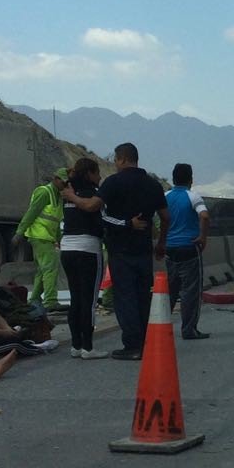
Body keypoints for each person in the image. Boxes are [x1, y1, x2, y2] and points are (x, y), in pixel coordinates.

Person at [98, 142, 170, 360]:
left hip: (120, 250)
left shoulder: (112, 183)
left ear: (121, 159)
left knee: (125, 297)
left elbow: (98, 211)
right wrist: (161, 242)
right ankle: (147, 340)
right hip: (143, 250)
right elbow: (166, 217)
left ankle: (132, 345)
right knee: (142, 296)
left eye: (116, 160)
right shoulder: (153, 185)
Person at [59, 158, 110, 359]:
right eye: (97, 173)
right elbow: (101, 216)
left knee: (75, 298)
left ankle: (76, 345)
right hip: (88, 248)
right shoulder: (93, 194)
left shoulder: (67, 194)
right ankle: (88, 348)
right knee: (88, 300)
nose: (99, 177)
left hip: (67, 248)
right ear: (89, 173)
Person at [0, 257, 60, 358]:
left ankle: (24, 343)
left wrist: (8, 331)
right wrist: (3, 333)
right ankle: (35, 348)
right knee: (12, 345)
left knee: (11, 336)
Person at [164, 163, 210, 341]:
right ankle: (189, 329)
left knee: (171, 290)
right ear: (191, 179)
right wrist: (202, 237)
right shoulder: (193, 196)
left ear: (173, 178)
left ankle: (160, 327)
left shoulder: (165, 196)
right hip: (189, 248)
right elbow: (204, 216)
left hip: (170, 248)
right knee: (191, 291)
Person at [12, 168, 68, 312]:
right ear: (56, 179)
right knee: (51, 268)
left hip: (46, 237)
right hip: (39, 236)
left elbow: (55, 221)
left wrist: (59, 239)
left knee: (42, 271)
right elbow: (31, 213)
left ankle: (35, 299)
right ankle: (50, 301)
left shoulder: (59, 197)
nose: (66, 185)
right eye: (64, 182)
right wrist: (20, 232)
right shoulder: (44, 192)